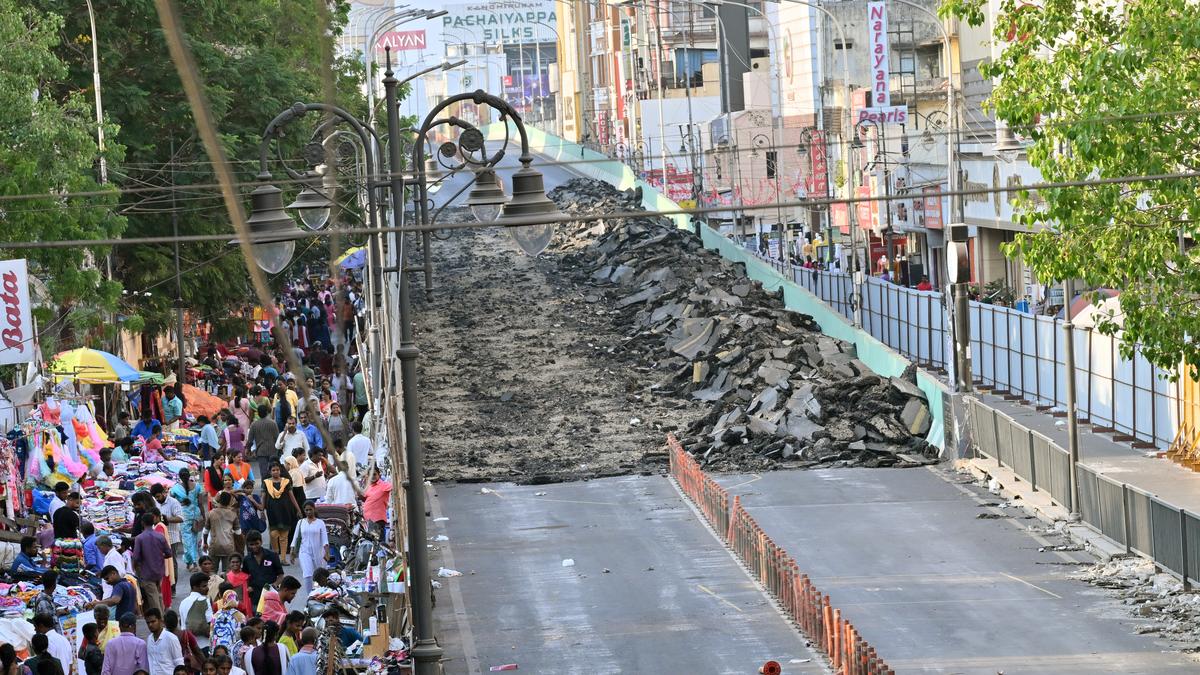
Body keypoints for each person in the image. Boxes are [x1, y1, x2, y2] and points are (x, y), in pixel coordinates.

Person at [132, 512, 172, 615]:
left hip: (146, 572)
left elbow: (135, 557)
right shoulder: (160, 536)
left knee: (153, 597)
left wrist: (134, 567)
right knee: (158, 594)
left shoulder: (139, 538)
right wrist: (159, 557)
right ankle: (162, 616)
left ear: (142, 523)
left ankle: (160, 619)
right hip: (159, 570)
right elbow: (168, 553)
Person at [262, 464, 301, 565]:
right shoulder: (266, 483)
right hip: (272, 511)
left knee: (284, 535)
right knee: (274, 534)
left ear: (280, 471)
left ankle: (283, 559)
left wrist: (298, 509)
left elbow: (291, 496)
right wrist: (262, 510)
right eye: (273, 470)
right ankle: (276, 557)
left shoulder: (286, 481)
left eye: (277, 470)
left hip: (285, 510)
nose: (275, 472)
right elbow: (263, 497)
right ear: (270, 472)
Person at [291, 504, 327, 594]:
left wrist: (327, 553)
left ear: (314, 510)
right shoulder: (300, 522)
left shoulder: (320, 523)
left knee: (319, 575)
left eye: (310, 510)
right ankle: (309, 596)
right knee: (307, 574)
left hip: (318, 552)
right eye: (306, 510)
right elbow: (295, 537)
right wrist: (292, 551)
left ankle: (321, 594)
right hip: (304, 552)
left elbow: (325, 539)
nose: (308, 512)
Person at [242, 531, 284, 609]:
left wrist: (274, 585)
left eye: (256, 543)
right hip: (255, 598)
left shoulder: (272, 555)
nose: (254, 546)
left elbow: (281, 575)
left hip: (271, 596)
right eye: (251, 544)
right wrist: (248, 587)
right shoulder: (246, 560)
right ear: (247, 545)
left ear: (261, 542)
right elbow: (245, 577)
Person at [151, 483, 185, 568]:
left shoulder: (173, 502)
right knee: (161, 562)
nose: (157, 499)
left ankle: (173, 581)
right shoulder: (155, 503)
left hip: (171, 538)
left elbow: (181, 518)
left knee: (171, 562)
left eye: (158, 496)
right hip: (158, 538)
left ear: (163, 492)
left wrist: (165, 519)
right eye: (155, 497)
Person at [205, 493, 240, 571]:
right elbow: (238, 532)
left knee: (212, 571)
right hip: (228, 547)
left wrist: (205, 542)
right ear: (230, 502)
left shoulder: (211, 513)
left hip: (214, 547)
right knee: (227, 572)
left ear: (219, 500)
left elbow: (206, 531)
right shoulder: (233, 514)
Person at [179, 572, 213, 651]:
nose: (207, 588)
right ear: (195, 587)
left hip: (189, 645)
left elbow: (183, 624)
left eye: (207, 585)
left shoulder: (183, 602)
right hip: (204, 645)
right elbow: (211, 623)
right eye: (204, 586)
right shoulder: (204, 600)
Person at [165, 609, 205, 675]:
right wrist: (205, 665)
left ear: (165, 623)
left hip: (169, 670)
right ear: (177, 621)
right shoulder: (186, 634)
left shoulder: (163, 637)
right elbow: (198, 651)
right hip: (187, 670)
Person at [145, 608, 184, 675]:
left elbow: (179, 662)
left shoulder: (171, 638)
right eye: (148, 623)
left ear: (160, 621)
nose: (150, 625)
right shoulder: (149, 639)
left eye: (153, 621)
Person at [247, 405, 280, 483]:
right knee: (274, 470)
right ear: (266, 412)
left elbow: (250, 440)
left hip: (261, 451)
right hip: (273, 450)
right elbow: (277, 438)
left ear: (258, 413)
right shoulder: (273, 423)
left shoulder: (254, 425)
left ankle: (264, 488)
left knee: (263, 472)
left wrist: (248, 449)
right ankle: (275, 485)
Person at [210, 591, 247, 656]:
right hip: (233, 651)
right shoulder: (241, 616)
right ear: (237, 599)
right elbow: (242, 635)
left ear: (224, 599)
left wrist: (211, 651)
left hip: (217, 651)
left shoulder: (215, 616)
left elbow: (211, 634)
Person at [362, 473, 392, 539]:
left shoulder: (383, 485)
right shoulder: (370, 486)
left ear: (379, 475)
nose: (372, 476)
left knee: (377, 542)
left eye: (374, 474)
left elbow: (393, 487)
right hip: (369, 520)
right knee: (371, 543)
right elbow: (365, 498)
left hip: (377, 520)